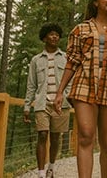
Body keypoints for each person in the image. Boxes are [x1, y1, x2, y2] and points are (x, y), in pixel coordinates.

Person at [54, 0, 107, 178]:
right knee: (85, 136)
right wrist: (59, 92)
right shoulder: (80, 29)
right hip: (84, 85)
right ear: (95, 2)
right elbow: (72, 62)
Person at [24, 23, 71, 178]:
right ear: (44, 37)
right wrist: (26, 106)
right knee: (42, 135)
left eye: (57, 34)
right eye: (51, 34)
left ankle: (51, 166)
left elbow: (71, 79)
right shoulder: (36, 60)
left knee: (56, 136)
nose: (54, 37)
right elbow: (31, 84)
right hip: (41, 103)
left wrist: (67, 96)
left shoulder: (65, 58)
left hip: (61, 104)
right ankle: (41, 172)